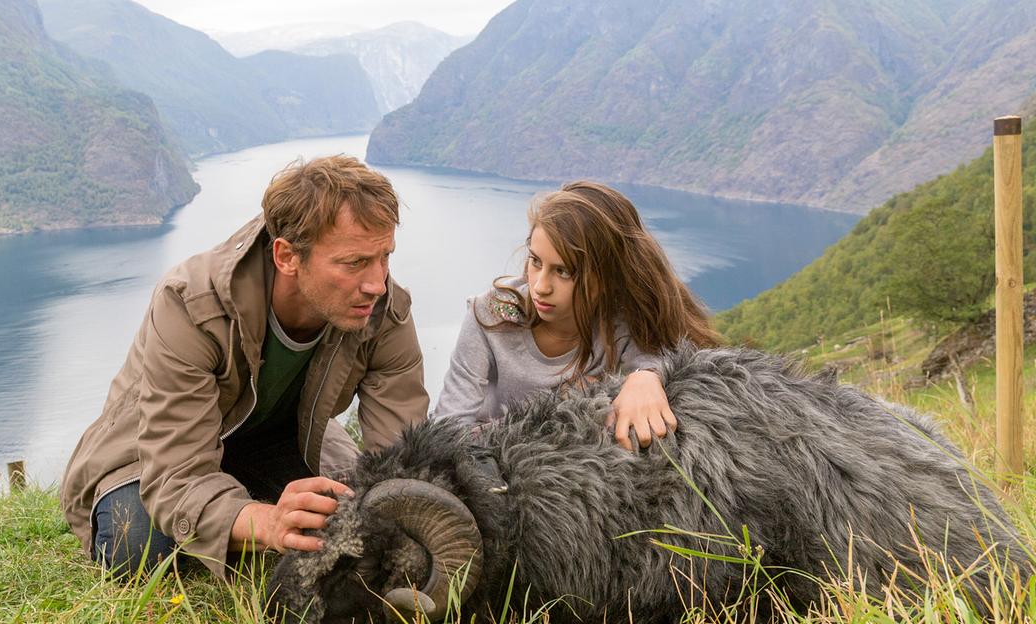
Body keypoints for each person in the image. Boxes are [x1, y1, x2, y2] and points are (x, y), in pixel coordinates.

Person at [61, 155, 429, 580]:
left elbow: (400, 456)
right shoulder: (190, 303)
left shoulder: (383, 309)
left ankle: (240, 510)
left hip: (282, 441)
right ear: (287, 256)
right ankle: (237, 513)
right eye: (354, 263)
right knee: (136, 544)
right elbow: (177, 473)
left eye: (384, 256)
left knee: (346, 507)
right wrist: (270, 524)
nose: (377, 283)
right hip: (155, 454)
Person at [434, 181, 721, 449]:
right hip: (489, 464)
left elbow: (669, 358)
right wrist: (557, 410)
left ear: (605, 279)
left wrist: (645, 377)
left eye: (563, 271)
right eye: (535, 261)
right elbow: (447, 428)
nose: (540, 286)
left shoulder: (614, 322)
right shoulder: (490, 315)